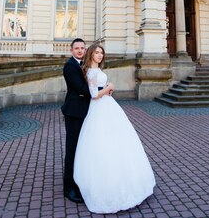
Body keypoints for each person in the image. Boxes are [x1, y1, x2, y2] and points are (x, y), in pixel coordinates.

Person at [73, 44, 156, 214]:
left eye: (102, 53)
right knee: (104, 142)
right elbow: (94, 95)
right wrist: (109, 87)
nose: (100, 55)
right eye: (96, 52)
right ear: (91, 54)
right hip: (99, 108)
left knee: (118, 141)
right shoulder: (91, 71)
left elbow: (98, 91)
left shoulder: (96, 70)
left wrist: (107, 89)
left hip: (108, 106)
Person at [61, 38, 113, 204]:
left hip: (86, 112)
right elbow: (82, 89)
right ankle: (68, 187)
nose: (80, 50)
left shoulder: (83, 65)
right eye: (76, 48)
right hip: (74, 113)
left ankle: (79, 181)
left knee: (82, 149)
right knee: (72, 149)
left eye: (82, 48)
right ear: (71, 50)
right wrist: (105, 90)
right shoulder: (70, 66)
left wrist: (102, 90)